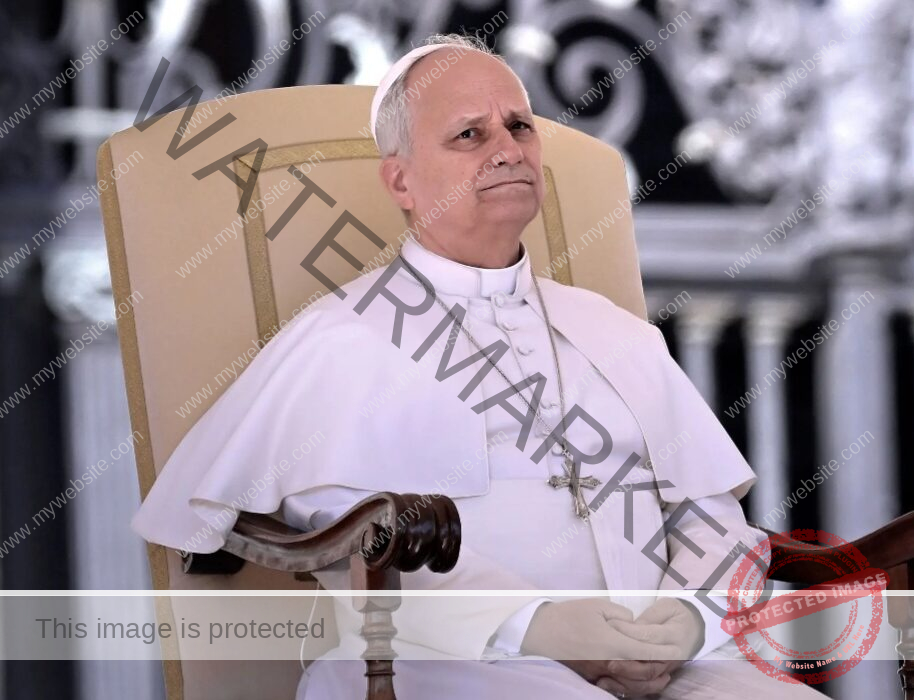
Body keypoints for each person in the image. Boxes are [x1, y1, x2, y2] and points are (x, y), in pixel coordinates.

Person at [132, 33, 827, 699]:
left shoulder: (618, 334)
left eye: (519, 127)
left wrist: (687, 619)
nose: (508, 149)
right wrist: (541, 626)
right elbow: (365, 543)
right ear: (400, 180)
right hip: (446, 664)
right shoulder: (339, 342)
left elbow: (711, 519)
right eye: (470, 134)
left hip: (666, 671)